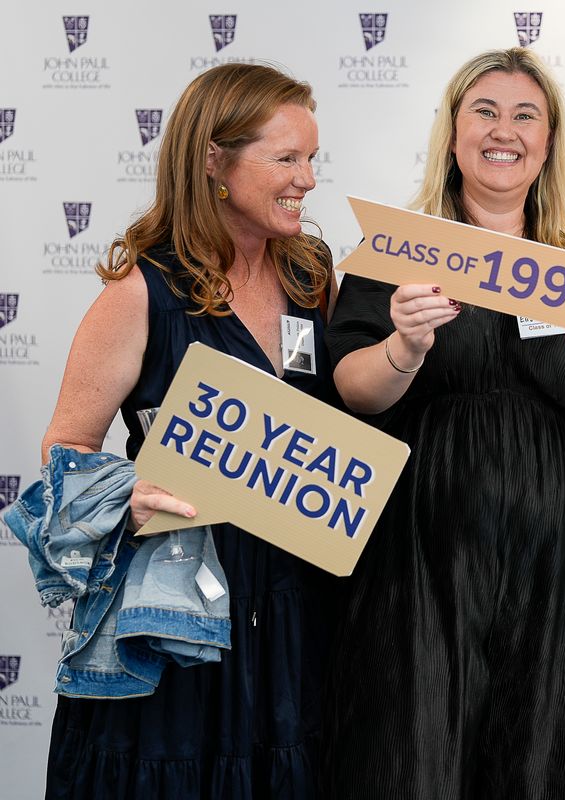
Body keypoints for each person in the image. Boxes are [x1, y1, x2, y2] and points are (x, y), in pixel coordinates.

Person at [320, 48, 565, 799]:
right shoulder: (398, 250)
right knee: (411, 754)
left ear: (549, 142)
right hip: (415, 555)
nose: (505, 131)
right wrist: (403, 347)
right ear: (454, 133)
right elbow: (352, 393)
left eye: (526, 116)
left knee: (547, 761)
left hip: (557, 562)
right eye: (485, 112)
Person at [39, 63, 336, 798]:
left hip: (296, 606)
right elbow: (66, 447)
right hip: (181, 611)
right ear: (213, 160)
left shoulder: (312, 277)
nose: (307, 180)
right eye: (286, 158)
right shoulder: (141, 290)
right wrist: (128, 497)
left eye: (311, 158)